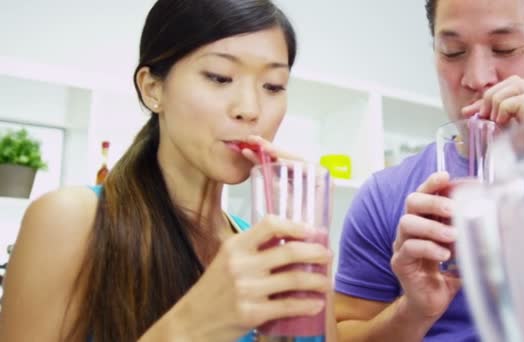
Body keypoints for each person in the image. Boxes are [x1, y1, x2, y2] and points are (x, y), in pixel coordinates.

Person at [0, 1, 336, 341]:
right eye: (219, 77)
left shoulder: (274, 250)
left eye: (273, 86)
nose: (250, 110)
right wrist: (191, 324)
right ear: (152, 88)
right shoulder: (72, 220)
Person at [334, 0, 524, 341]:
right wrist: (414, 311)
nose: (477, 79)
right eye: (453, 51)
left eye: (504, 48)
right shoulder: (385, 196)